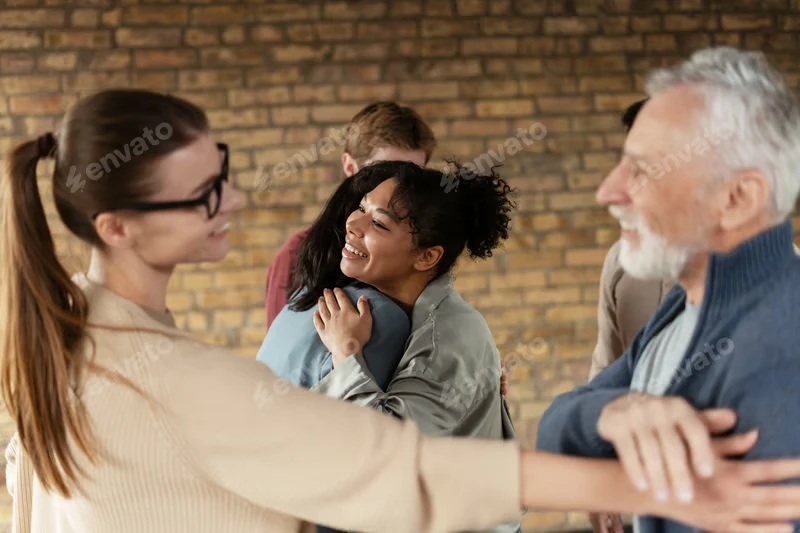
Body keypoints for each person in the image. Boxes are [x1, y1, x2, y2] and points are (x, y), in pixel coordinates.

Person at [6, 89, 800, 533]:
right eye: (208, 191)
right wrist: (654, 491)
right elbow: (397, 467)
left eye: (227, 170)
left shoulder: (65, 337)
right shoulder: (179, 376)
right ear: (118, 227)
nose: (235, 199)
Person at [536, 46, 800, 533]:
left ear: (737, 198)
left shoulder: (779, 349)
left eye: (644, 170)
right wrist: (613, 411)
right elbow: (555, 429)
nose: (607, 192)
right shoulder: (685, 302)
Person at [258, 160, 520, 532]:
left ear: (427, 256)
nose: (353, 224)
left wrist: (347, 354)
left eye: (379, 223)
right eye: (361, 208)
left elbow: (390, 452)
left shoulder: (450, 336)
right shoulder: (383, 309)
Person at [264, 101, 437, 330]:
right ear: (350, 166)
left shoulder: (421, 253)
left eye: (412, 176)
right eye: (383, 171)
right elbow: (279, 358)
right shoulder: (295, 256)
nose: (396, 189)